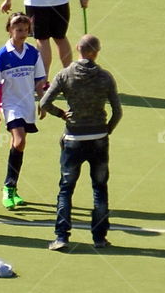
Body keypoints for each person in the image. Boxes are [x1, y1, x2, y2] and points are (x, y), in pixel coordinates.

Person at [39, 34, 122, 250]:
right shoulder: (105, 77)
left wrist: (61, 114)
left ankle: (62, 237)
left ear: (77, 48)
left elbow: (45, 102)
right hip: (98, 140)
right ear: (97, 51)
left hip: (73, 139)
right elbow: (117, 111)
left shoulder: (65, 75)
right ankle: (99, 238)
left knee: (66, 189)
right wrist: (107, 130)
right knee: (100, 188)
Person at [0, 12, 47, 210]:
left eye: (25, 29)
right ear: (9, 30)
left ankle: (13, 187)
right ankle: (8, 187)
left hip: (28, 104)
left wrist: (43, 102)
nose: (22, 33)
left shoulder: (33, 53)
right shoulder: (2, 55)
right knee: (19, 140)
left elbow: (40, 81)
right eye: (18, 29)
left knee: (19, 145)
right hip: (11, 105)